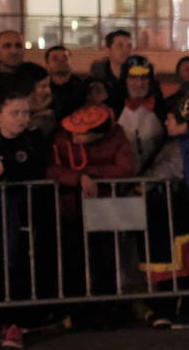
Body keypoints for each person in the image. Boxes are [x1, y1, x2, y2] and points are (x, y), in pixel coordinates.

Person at [0, 91, 49, 345]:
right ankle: (2, 320)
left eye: (26, 112)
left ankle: (21, 319)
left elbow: (37, 168)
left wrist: (10, 171)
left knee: (21, 262)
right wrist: (12, 173)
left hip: (26, 209)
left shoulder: (33, 138)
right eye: (15, 113)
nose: (22, 119)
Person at [48, 104, 136, 327]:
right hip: (71, 208)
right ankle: (78, 312)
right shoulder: (61, 134)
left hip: (105, 208)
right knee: (74, 260)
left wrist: (89, 175)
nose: (75, 136)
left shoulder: (116, 136)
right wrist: (78, 179)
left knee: (105, 259)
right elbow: (50, 168)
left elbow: (125, 167)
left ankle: (109, 311)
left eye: (81, 134)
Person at [142, 93, 189, 329]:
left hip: (177, 211)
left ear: (184, 122)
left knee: (181, 266)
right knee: (180, 264)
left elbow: (156, 176)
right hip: (179, 212)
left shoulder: (183, 147)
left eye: (171, 119)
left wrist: (134, 187)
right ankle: (173, 309)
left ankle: (181, 310)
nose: (166, 122)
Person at [116, 56, 166, 173]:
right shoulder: (114, 109)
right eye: (133, 77)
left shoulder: (161, 109)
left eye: (144, 77)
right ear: (125, 80)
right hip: (123, 181)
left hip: (157, 180)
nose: (139, 83)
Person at [89, 30, 135, 95]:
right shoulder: (97, 77)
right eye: (120, 46)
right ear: (108, 51)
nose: (126, 50)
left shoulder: (141, 76)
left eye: (129, 46)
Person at [45, 45, 86, 117]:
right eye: (55, 59)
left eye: (65, 58)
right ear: (47, 64)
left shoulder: (82, 86)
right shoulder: (42, 88)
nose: (61, 62)